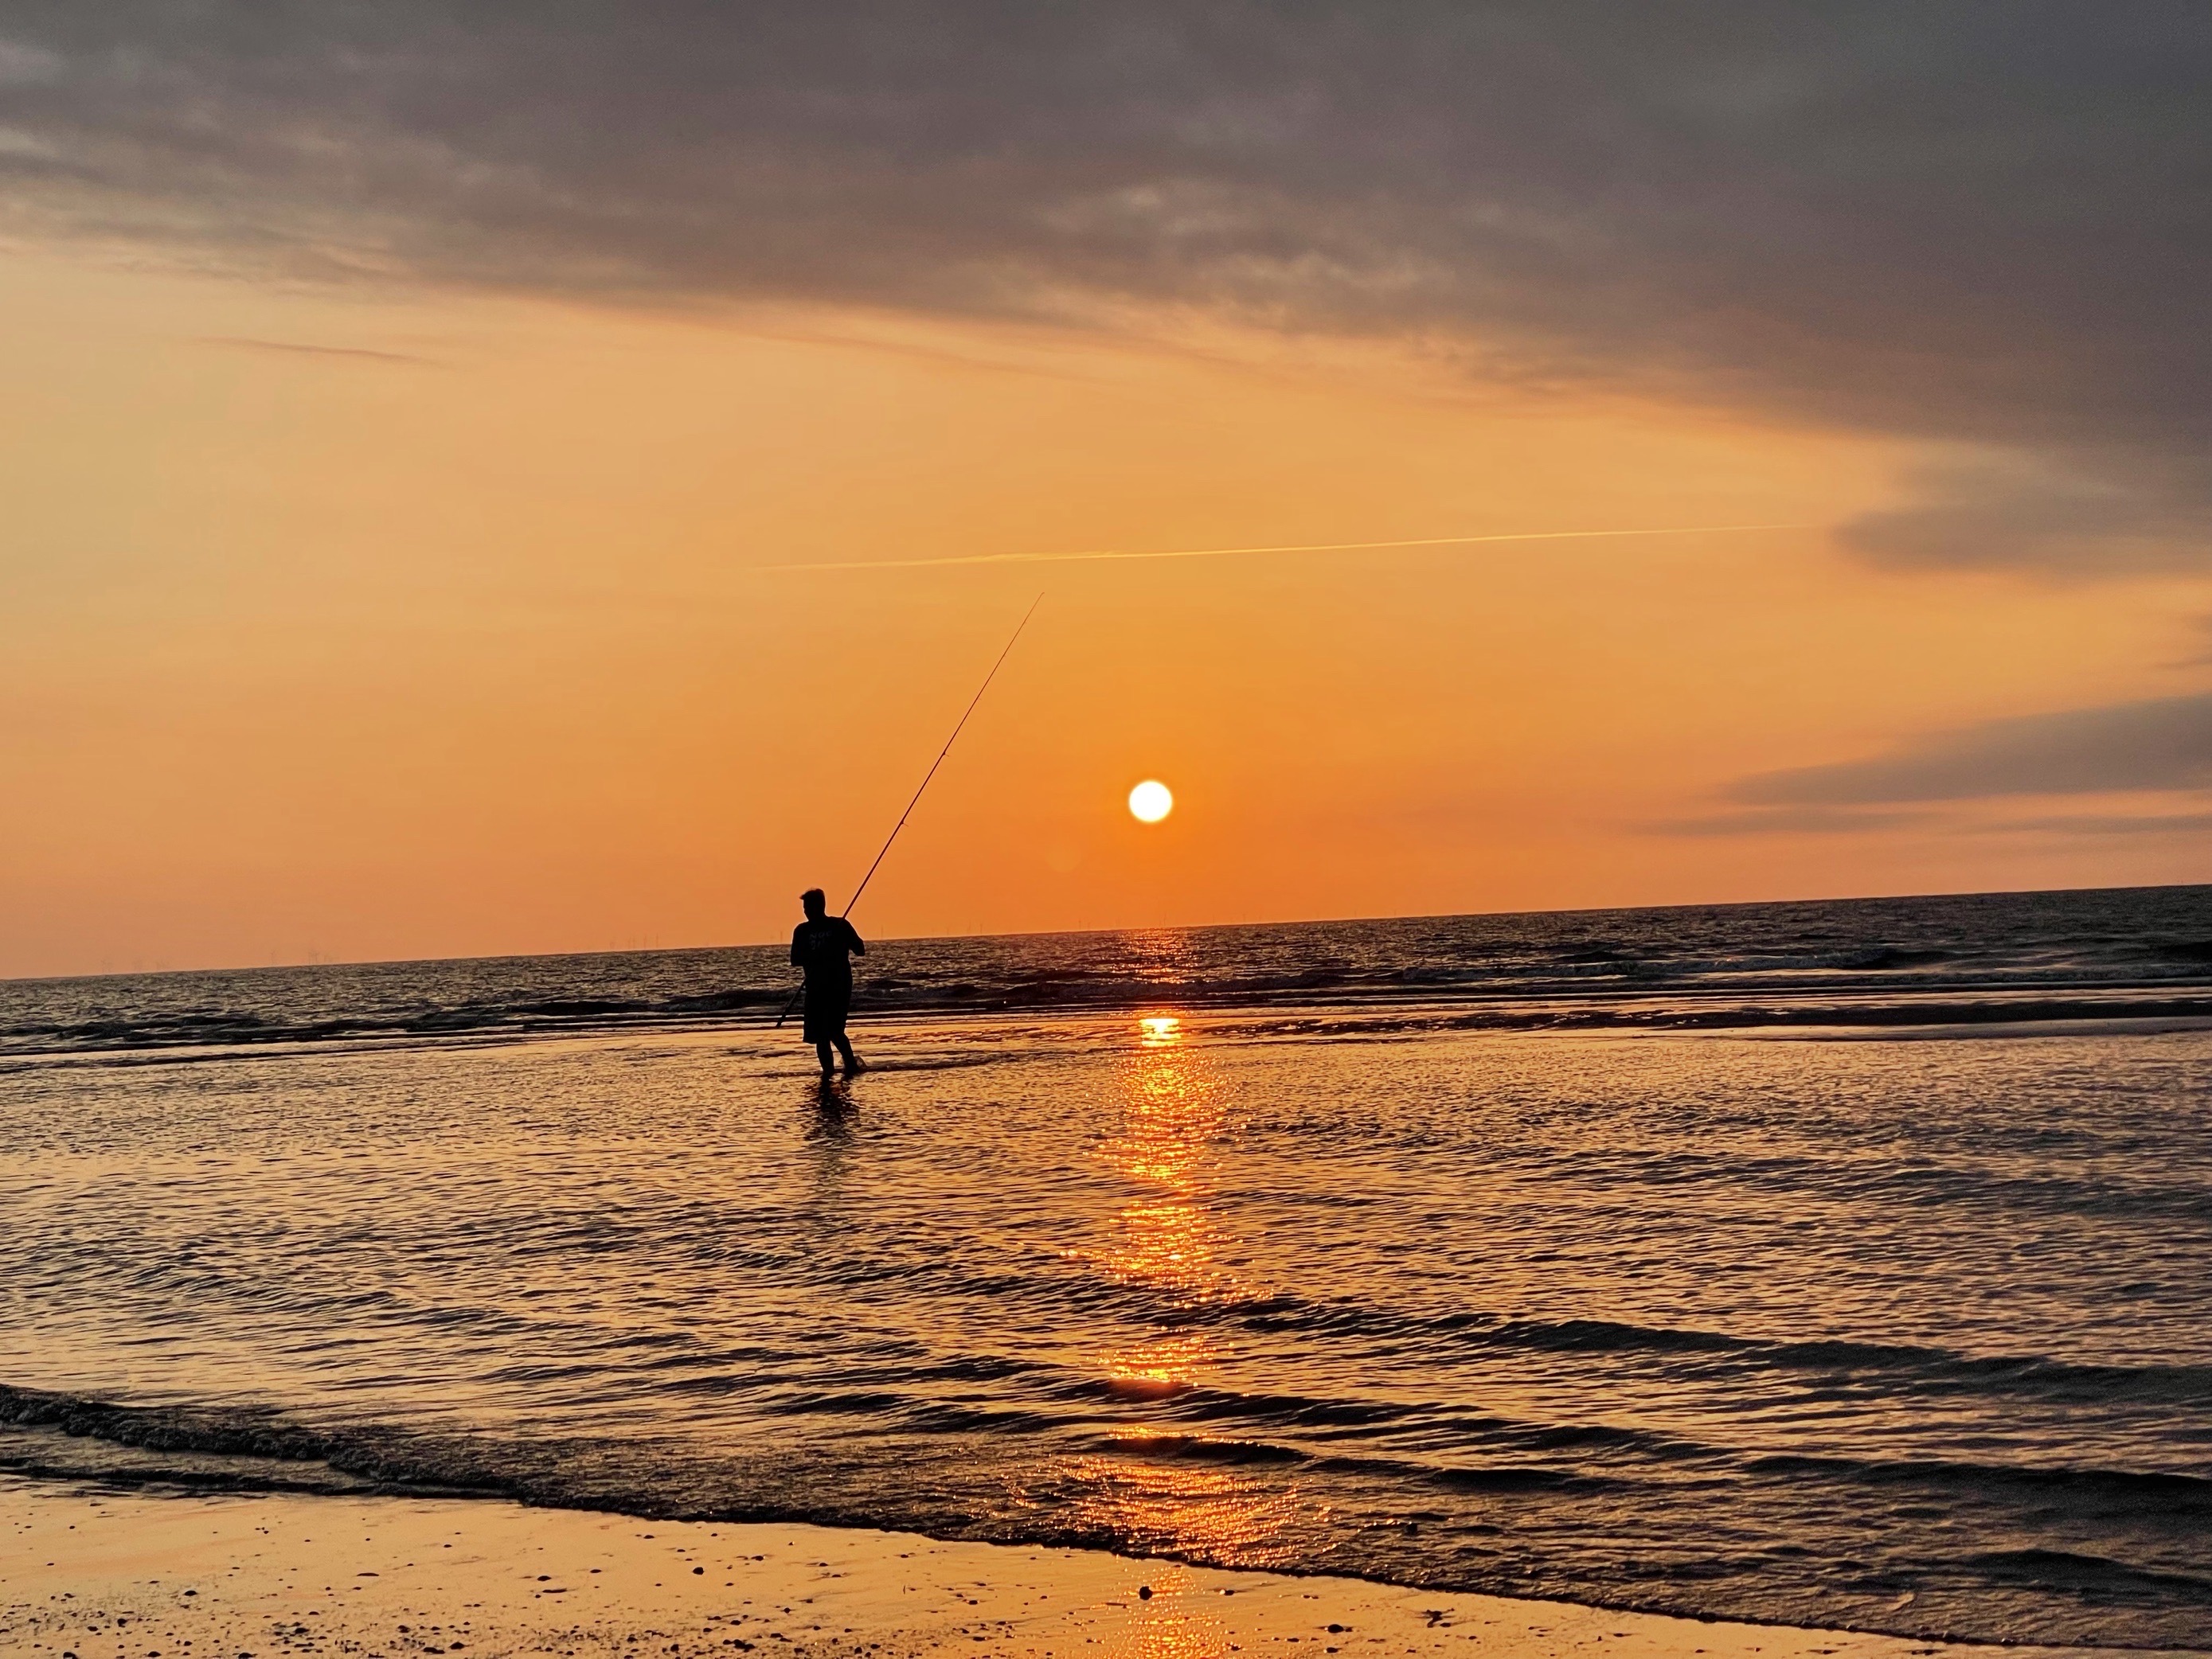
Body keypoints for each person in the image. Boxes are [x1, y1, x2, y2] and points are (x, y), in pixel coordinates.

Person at [791, 888, 866, 1077]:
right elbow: (795, 959)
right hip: (815, 988)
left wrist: (839, 942)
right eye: (804, 907)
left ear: (819, 906)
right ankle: (828, 1072)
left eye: (808, 907)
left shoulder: (839, 925)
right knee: (819, 1036)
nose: (806, 911)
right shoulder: (802, 931)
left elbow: (860, 950)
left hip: (838, 986)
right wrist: (815, 956)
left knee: (834, 1030)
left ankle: (850, 1064)